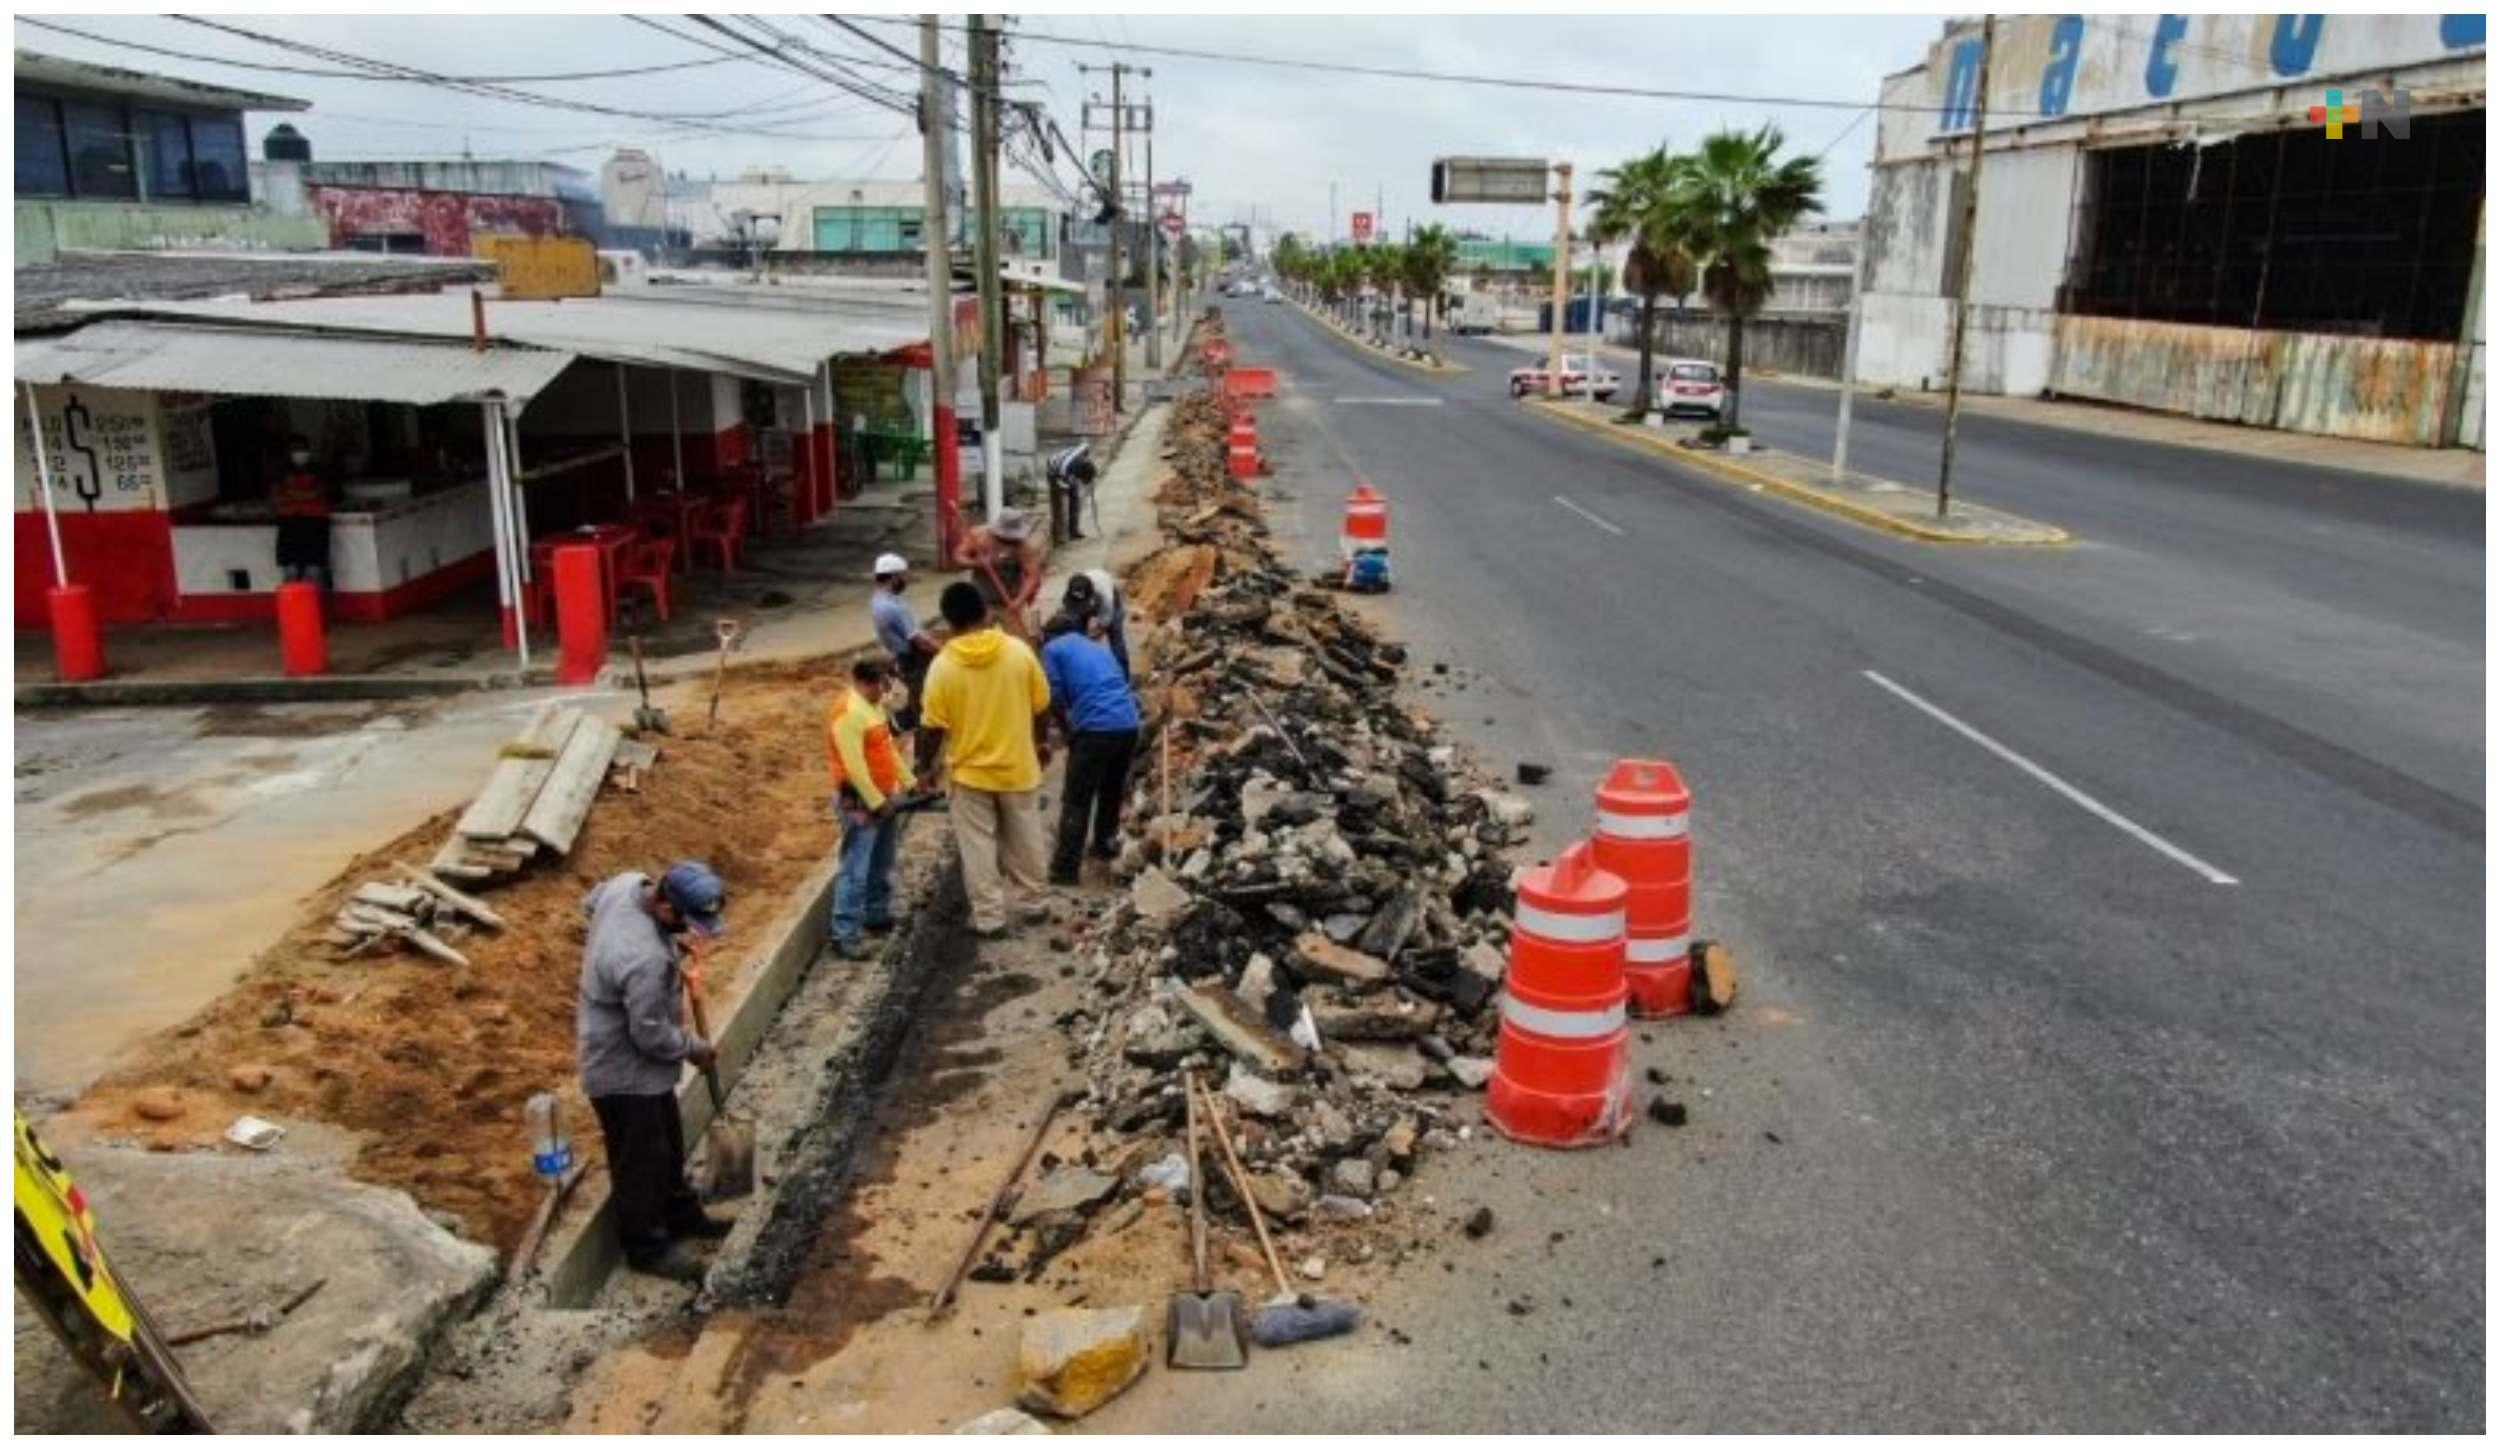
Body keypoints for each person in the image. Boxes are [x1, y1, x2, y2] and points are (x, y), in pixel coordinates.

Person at [577, 861, 733, 1283]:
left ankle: (681, 1215)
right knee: (640, 1160)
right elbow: (649, 1036)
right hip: (620, 1068)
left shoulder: (628, 883)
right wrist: (695, 1049)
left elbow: (589, 901)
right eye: (687, 924)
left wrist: (668, 944)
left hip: (643, 1064)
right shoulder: (641, 960)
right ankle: (646, 1246)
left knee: (666, 1140)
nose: (693, 932)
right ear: (665, 907)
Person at [919, 581, 1052, 938]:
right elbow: (1042, 705)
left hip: (969, 774)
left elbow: (931, 728)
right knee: (1026, 837)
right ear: (984, 612)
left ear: (948, 621)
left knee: (978, 848)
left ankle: (990, 918)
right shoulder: (1017, 652)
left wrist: (923, 769)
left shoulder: (942, 667)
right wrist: (1040, 744)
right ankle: (1034, 902)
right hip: (1017, 765)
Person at [1039, 610, 1141, 885]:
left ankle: (1065, 870)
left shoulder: (1052, 648)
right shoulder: (1098, 647)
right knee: (1111, 790)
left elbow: (1055, 698)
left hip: (1095, 730)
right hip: (1128, 724)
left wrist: (1067, 732)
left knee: (1076, 800)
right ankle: (1104, 846)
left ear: (1049, 635)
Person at [825, 656, 917, 960]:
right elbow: (853, 767)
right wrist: (876, 804)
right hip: (860, 801)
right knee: (856, 866)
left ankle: (876, 914)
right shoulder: (848, 713)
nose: (888, 691)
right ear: (870, 682)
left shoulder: (873, 707)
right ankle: (844, 933)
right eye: (885, 684)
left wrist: (909, 782)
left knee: (882, 858)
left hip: (882, 795)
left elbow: (887, 749)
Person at [869, 552, 945, 779]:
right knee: (927, 713)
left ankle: (898, 724)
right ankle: (922, 768)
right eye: (903, 576)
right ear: (893, 577)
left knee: (914, 703)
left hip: (901, 659)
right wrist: (944, 652)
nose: (906, 579)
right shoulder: (894, 607)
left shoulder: (878, 601)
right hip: (914, 660)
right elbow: (918, 638)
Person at [952, 506, 1043, 629]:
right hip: (982, 600)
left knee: (1018, 640)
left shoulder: (1023, 546)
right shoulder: (979, 536)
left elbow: (1033, 576)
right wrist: (977, 563)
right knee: (979, 639)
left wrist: (1019, 601)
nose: (1007, 541)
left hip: (1010, 600)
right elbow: (958, 557)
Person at [271, 434, 333, 589]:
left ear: (308, 450)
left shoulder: (318, 469)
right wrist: (306, 495)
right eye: (295, 449)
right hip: (289, 525)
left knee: (313, 572)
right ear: (289, 452)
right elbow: (276, 498)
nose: (299, 453)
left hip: (315, 524)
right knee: (290, 572)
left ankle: (312, 610)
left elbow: (319, 492)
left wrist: (291, 494)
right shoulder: (281, 470)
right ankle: (293, 609)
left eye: (302, 449)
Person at [1060, 568, 1130, 680]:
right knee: (1077, 633)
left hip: (1110, 599)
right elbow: (1068, 617)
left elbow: (1105, 623)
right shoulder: (1071, 593)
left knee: (1116, 638)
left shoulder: (1104, 596)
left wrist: (1091, 640)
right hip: (1090, 594)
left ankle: (1124, 677)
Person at [1046, 441, 1096, 543]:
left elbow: (1085, 445)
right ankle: (1059, 536)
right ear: (1079, 474)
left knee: (1075, 500)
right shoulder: (1063, 471)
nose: (1082, 482)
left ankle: (1074, 531)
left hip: (1069, 470)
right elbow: (1064, 486)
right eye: (1082, 479)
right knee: (1059, 505)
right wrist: (1068, 485)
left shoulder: (1082, 452)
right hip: (1054, 472)